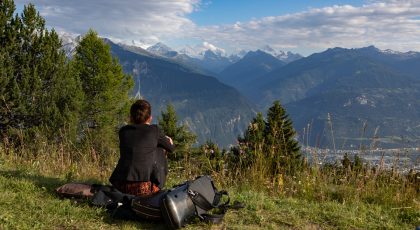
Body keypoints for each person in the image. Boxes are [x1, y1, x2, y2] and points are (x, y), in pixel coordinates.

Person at [109, 99, 174, 196]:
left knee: (148, 147)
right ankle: (157, 185)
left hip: (120, 185)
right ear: (150, 118)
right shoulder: (154, 130)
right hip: (144, 188)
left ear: (131, 117)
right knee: (160, 148)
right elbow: (171, 148)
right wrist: (169, 141)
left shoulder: (123, 131)